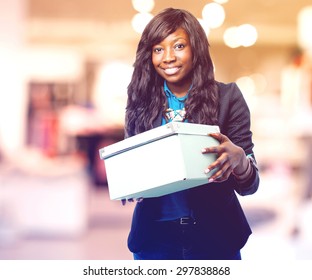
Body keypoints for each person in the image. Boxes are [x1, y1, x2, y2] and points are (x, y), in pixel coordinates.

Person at [124, 7, 260, 260]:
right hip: (155, 238)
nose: (167, 57)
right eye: (158, 49)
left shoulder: (228, 98)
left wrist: (240, 160)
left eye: (178, 46)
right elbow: (133, 172)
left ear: (195, 48)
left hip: (216, 235)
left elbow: (250, 185)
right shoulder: (140, 102)